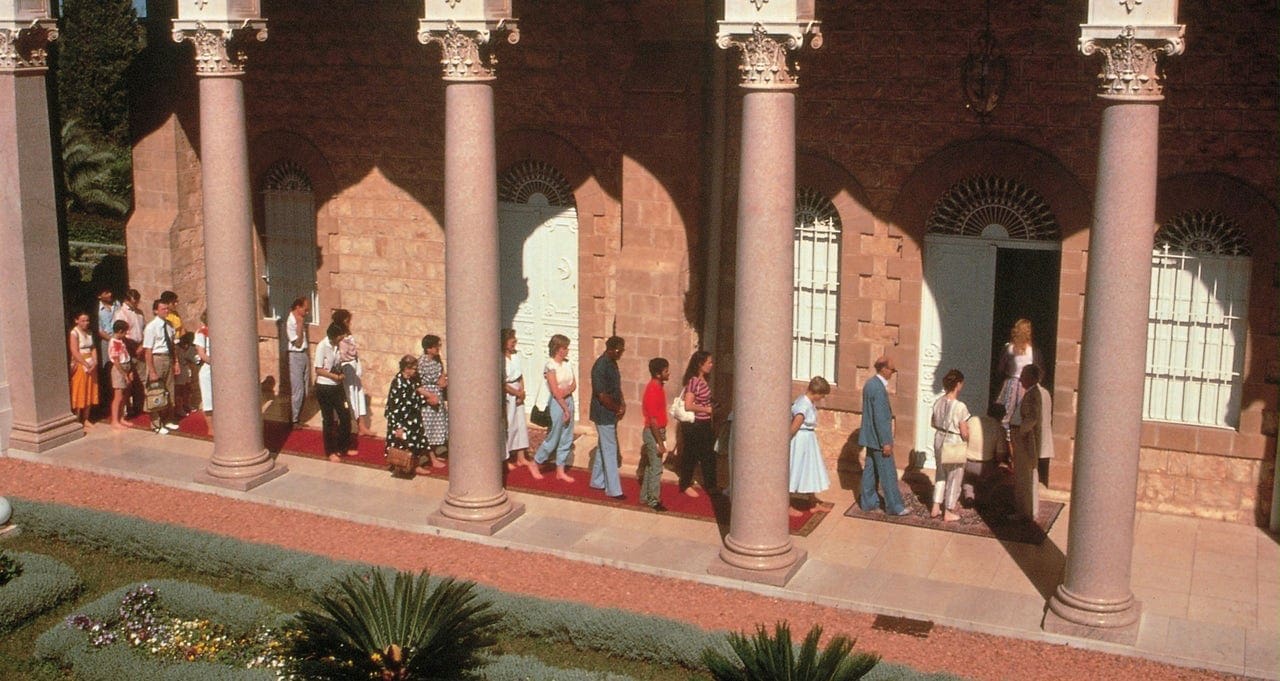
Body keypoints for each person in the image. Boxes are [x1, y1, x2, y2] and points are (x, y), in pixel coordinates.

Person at [858, 355, 908, 515]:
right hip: (879, 439)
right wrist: (886, 441)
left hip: (870, 437)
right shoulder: (878, 388)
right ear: (884, 369)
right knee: (888, 473)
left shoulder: (870, 384)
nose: (893, 373)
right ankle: (895, 506)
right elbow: (880, 418)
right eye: (892, 370)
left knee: (870, 471)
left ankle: (868, 502)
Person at [526, 334, 576, 482]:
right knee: (554, 436)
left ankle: (560, 469)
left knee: (566, 436)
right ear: (558, 349)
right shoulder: (550, 366)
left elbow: (573, 384)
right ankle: (536, 462)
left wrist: (566, 393)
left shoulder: (567, 364)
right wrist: (565, 408)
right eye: (564, 348)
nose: (567, 350)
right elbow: (555, 390)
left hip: (569, 400)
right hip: (557, 403)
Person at [1013, 364, 1053, 521]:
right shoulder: (1041, 392)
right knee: (1031, 475)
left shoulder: (1034, 393)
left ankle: (1025, 512)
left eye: (1023, 375)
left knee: (1025, 477)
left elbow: (1033, 418)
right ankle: (1030, 510)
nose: (1021, 378)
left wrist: (1021, 432)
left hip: (1027, 440)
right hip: (1032, 440)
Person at [930, 369, 971, 521]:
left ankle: (935, 506)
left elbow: (933, 422)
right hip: (953, 440)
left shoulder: (938, 401)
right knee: (955, 476)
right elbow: (964, 431)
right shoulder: (960, 406)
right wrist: (969, 437)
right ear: (958, 384)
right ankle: (948, 509)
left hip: (939, 438)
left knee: (940, 473)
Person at [788, 376, 832, 517]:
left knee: (810, 469)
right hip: (800, 441)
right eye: (822, 395)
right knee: (794, 470)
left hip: (808, 440)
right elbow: (794, 427)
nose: (822, 398)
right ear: (817, 393)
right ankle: (786, 504)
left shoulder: (808, 402)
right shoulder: (802, 405)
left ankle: (813, 503)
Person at [589, 336, 627, 500]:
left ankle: (597, 480)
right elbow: (602, 395)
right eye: (619, 350)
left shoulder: (613, 363)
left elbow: (616, 388)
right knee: (610, 450)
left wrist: (622, 404)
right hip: (603, 413)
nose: (621, 354)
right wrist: (616, 408)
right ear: (611, 349)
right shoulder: (600, 366)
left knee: (603, 446)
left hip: (611, 412)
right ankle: (614, 489)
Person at [385, 354, 434, 476]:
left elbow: (416, 395)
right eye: (413, 368)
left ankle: (412, 465)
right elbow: (394, 406)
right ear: (406, 368)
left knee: (415, 441)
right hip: (402, 419)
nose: (415, 371)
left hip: (412, 417)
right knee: (402, 443)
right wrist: (399, 426)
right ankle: (403, 465)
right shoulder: (398, 382)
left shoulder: (412, 379)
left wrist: (427, 399)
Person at [678, 350, 717, 497]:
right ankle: (685, 483)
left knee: (708, 454)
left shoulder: (704, 380)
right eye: (709, 362)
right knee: (691, 454)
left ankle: (710, 484)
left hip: (705, 423)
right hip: (696, 425)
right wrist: (706, 409)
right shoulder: (694, 382)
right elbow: (688, 405)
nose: (711, 365)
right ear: (700, 364)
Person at [995, 318, 1039, 434]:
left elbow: (1000, 368)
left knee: (1006, 414)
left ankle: (1004, 440)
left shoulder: (1009, 348)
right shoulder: (1032, 351)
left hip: (1011, 383)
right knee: (1021, 415)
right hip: (1025, 384)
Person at [314, 323, 351, 463]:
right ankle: (330, 451)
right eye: (340, 337)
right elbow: (318, 369)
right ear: (334, 337)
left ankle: (342, 446)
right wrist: (334, 377)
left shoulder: (337, 347)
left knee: (345, 414)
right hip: (325, 387)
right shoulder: (322, 346)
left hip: (338, 386)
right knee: (329, 419)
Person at [142, 299, 178, 434]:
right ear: (156, 311)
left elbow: (172, 345)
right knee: (156, 391)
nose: (166, 311)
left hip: (168, 357)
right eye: (163, 309)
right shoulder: (151, 327)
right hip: (156, 358)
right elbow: (148, 350)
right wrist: (151, 370)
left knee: (170, 389)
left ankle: (168, 419)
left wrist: (176, 362)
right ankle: (156, 423)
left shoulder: (169, 325)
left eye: (167, 308)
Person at [639, 357, 670, 512]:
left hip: (657, 432)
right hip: (653, 433)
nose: (668, 373)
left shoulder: (659, 387)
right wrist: (660, 442)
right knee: (657, 468)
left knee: (651, 466)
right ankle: (653, 500)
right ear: (658, 374)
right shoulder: (652, 390)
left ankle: (645, 496)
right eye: (666, 371)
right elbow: (652, 421)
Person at [960, 403, 1005, 506]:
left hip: (967, 462)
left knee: (968, 477)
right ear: (1001, 416)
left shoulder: (973, 420)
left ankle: (969, 495)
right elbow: (1000, 454)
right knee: (997, 476)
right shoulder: (999, 428)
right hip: (985, 466)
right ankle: (984, 498)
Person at [417, 334, 449, 469]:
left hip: (438, 394)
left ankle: (435, 451)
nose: (438, 348)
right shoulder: (422, 362)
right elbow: (420, 382)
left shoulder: (437, 359)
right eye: (436, 346)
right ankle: (430, 457)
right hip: (429, 396)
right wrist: (430, 395)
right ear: (428, 348)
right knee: (428, 427)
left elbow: (441, 373)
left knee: (438, 424)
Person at [501, 328, 531, 470]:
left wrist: (522, 392)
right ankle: (505, 458)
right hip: (508, 394)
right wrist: (516, 393)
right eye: (511, 339)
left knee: (520, 424)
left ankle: (521, 456)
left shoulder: (516, 355)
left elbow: (520, 376)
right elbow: (502, 383)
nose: (514, 342)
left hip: (518, 392)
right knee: (509, 425)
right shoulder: (500, 358)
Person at [113, 289, 146, 417]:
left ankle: (140, 405)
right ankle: (127, 408)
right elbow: (121, 333)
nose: (136, 303)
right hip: (127, 348)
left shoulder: (140, 313)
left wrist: (142, 345)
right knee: (128, 381)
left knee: (141, 378)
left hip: (140, 348)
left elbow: (144, 330)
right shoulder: (121, 313)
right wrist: (132, 347)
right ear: (127, 300)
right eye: (134, 301)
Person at [67, 312, 99, 430]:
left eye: (87, 321)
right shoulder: (74, 333)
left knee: (90, 390)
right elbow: (74, 351)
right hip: (81, 363)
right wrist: (85, 363)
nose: (86, 323)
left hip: (91, 362)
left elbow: (93, 347)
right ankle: (77, 416)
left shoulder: (89, 332)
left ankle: (86, 418)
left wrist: (95, 361)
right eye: (83, 321)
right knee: (80, 389)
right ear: (77, 321)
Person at [286, 297, 311, 424]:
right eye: (305, 309)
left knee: (306, 389)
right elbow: (297, 342)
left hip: (304, 354)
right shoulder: (291, 321)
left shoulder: (300, 319)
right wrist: (300, 325)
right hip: (295, 355)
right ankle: (294, 419)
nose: (307, 313)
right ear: (298, 307)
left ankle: (298, 415)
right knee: (298, 389)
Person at [95, 287, 120, 409]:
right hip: (107, 340)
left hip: (118, 339)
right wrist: (111, 340)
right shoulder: (98, 310)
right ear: (100, 296)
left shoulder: (117, 304)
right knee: (108, 368)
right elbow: (100, 330)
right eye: (106, 292)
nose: (110, 294)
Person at [106, 320, 134, 429]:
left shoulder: (120, 341)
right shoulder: (114, 342)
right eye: (125, 332)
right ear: (120, 331)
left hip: (125, 366)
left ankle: (121, 417)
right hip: (119, 369)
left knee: (124, 396)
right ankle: (114, 420)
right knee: (118, 396)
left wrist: (129, 371)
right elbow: (116, 361)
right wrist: (124, 374)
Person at [193, 311, 213, 437]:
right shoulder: (201, 333)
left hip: (221, 370)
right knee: (208, 399)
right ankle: (211, 428)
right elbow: (202, 353)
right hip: (208, 368)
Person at [173, 332, 197, 418]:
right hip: (179, 369)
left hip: (187, 369)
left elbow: (192, 358)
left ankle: (187, 404)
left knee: (187, 388)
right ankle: (179, 408)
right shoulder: (176, 348)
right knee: (179, 389)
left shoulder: (191, 347)